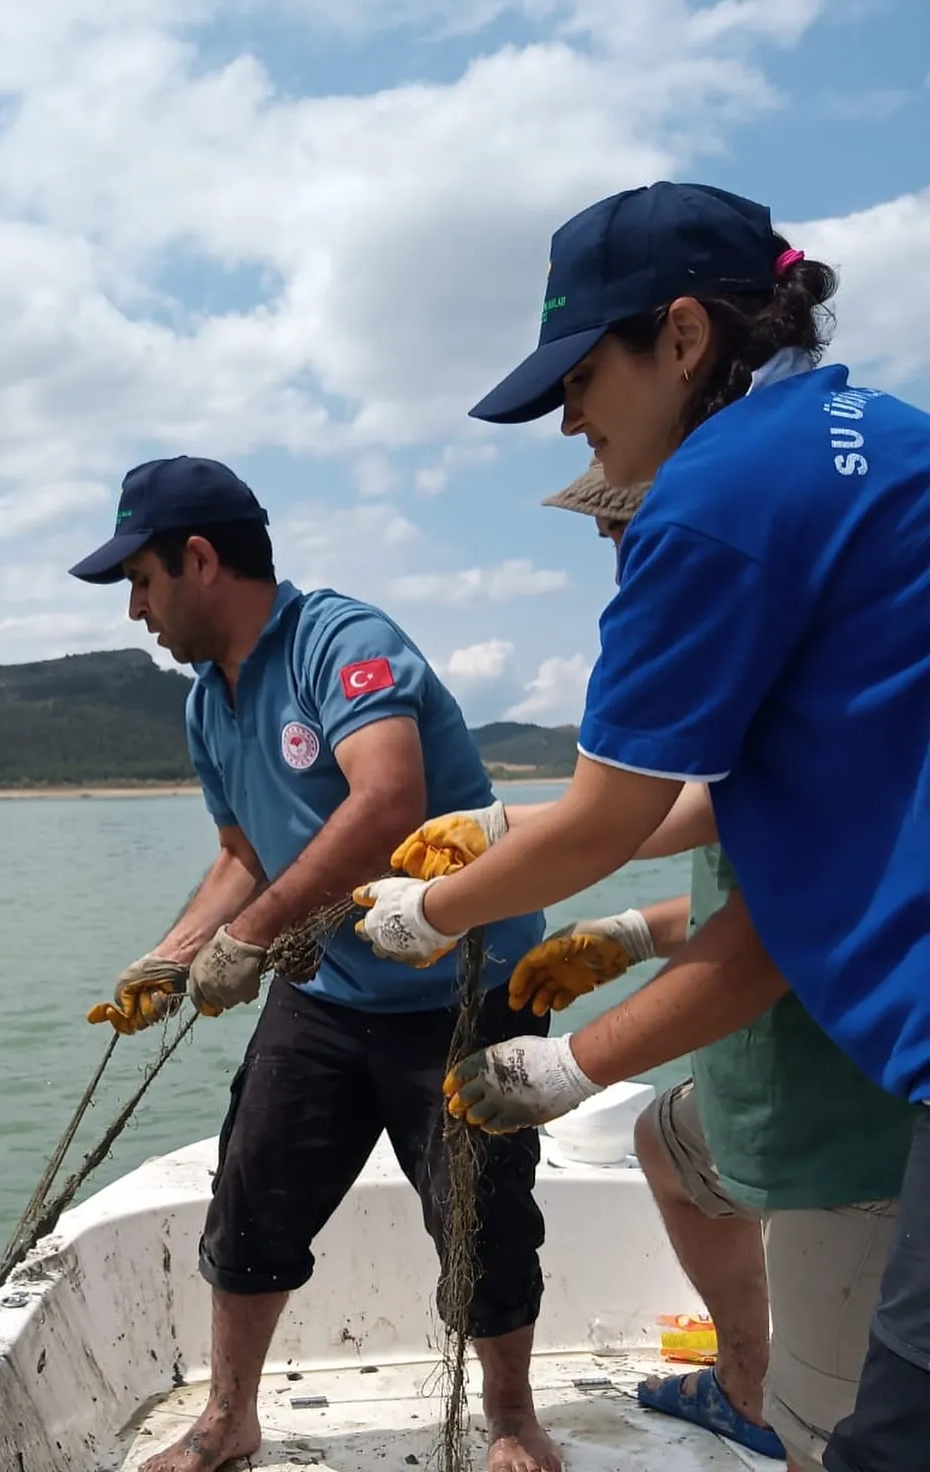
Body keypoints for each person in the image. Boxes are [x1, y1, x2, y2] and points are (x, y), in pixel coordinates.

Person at [351, 181, 930, 1472]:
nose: (567, 418)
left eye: (580, 374)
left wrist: (429, 916)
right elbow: (800, 785)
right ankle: (746, 1379)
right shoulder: (886, 437)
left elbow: (611, 819)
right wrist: (516, 830)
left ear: (681, 336)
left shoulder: (713, 496)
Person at [68, 454, 558, 1472]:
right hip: (329, 993)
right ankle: (227, 1419)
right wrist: (168, 957)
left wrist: (250, 939)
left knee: (485, 1216)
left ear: (198, 558)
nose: (136, 613)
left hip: (468, 986)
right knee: (250, 1200)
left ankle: (510, 1414)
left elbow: (388, 801)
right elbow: (246, 854)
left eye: (142, 581)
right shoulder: (209, 703)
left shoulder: (341, 640)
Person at [478, 457, 918, 1469]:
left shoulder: (824, 682)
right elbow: (718, 843)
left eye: (626, 533)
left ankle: (790, 1412)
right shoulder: (768, 677)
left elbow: (769, 941)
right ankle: (743, 1382)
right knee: (668, 1147)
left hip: (845, 1122)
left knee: (839, 1434)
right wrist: (626, 930)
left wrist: (566, 1062)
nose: (619, 560)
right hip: (755, 1092)